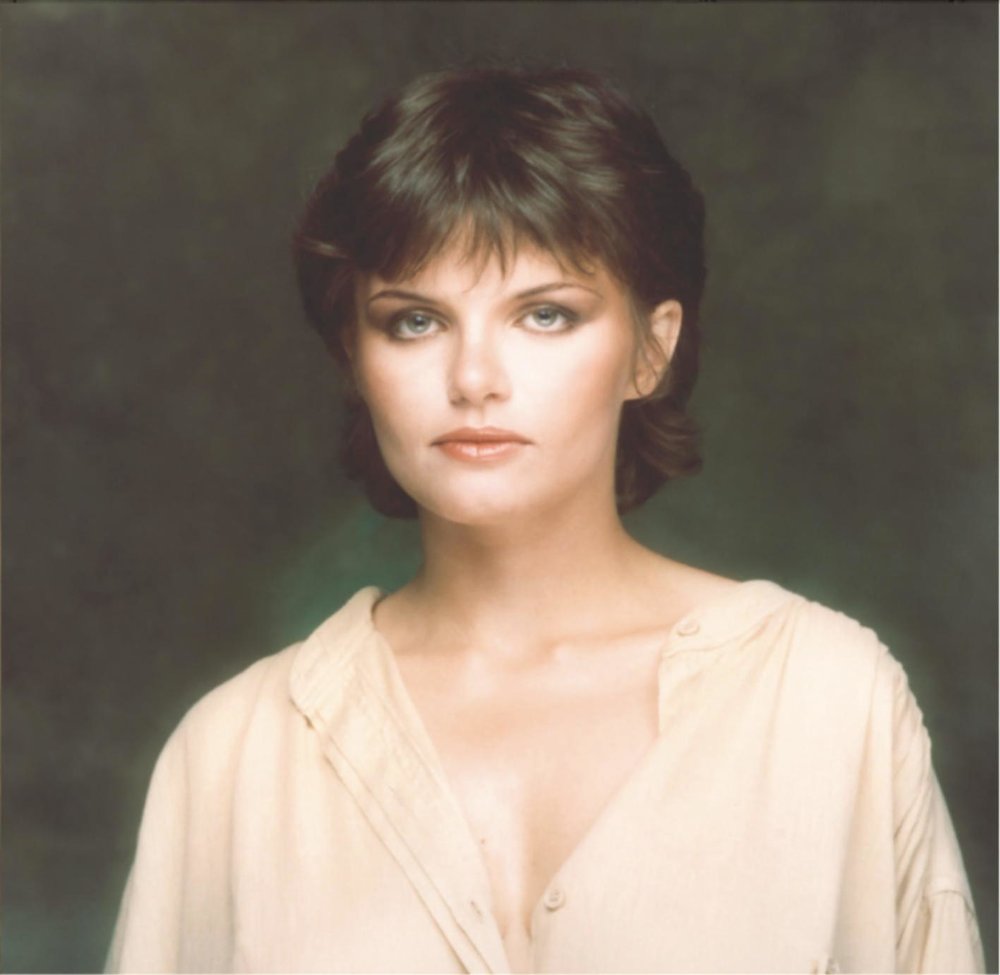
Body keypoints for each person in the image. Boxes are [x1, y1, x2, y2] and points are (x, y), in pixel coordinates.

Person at [106, 65, 984, 974]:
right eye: (415, 322)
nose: (473, 378)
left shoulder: (829, 703)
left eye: (546, 314)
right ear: (354, 359)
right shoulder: (233, 756)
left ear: (651, 349)